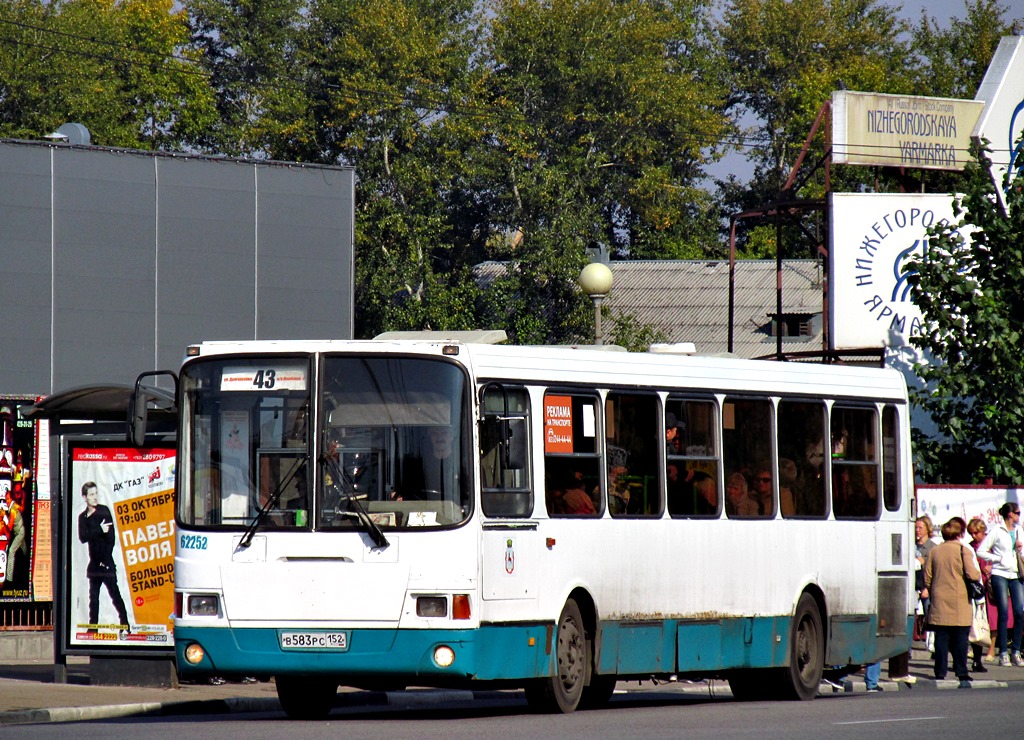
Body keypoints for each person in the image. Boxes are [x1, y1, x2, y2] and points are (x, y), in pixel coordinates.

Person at [924, 517, 980, 687]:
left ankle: (940, 672)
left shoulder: (935, 551)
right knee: (961, 639)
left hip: (939, 600)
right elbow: (973, 575)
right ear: (961, 533)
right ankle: (961, 671)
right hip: (959, 601)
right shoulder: (964, 551)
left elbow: (927, 577)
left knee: (941, 638)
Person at [976, 502, 1024, 667]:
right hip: (1000, 574)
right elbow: (981, 550)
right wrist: (997, 559)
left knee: (1019, 612)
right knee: (1003, 612)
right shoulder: (997, 531)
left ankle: (1016, 650)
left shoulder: (1019, 531)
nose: (1019, 515)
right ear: (1010, 514)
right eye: (1017, 513)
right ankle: (1003, 651)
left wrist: (1020, 549)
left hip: (1016, 574)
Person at [77, 482, 129, 631]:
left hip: (106, 563)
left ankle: (124, 623)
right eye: (91, 494)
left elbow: (111, 539)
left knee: (115, 595)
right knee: (93, 598)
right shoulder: (83, 517)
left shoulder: (104, 511)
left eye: (96, 493)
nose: (95, 497)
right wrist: (99, 529)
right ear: (85, 497)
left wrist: (104, 561)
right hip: (93, 564)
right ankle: (93, 627)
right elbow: (83, 537)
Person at [967, 517, 995, 671]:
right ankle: (976, 656)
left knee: (991, 620)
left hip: (990, 585)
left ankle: (992, 648)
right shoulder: (970, 547)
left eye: (976, 533)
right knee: (977, 622)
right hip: (977, 588)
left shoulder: (991, 545)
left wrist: (992, 567)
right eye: (971, 533)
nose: (974, 536)